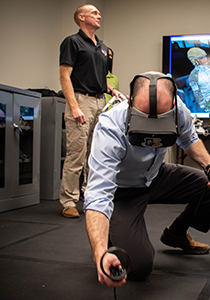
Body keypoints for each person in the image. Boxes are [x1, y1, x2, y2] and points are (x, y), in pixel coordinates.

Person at [84, 71, 210, 286]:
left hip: (157, 176)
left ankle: (176, 233)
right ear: (131, 102)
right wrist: (100, 253)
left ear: (173, 103)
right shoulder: (110, 126)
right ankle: (108, 235)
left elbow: (189, 139)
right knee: (138, 267)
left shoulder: (178, 109)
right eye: (144, 116)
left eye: (161, 117)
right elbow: (98, 194)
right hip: (122, 191)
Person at [59, 4, 123, 218]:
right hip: (80, 100)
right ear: (81, 17)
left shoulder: (103, 48)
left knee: (94, 155)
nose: (99, 15)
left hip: (99, 102)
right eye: (94, 13)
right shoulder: (72, 42)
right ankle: (68, 201)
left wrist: (113, 91)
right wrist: (74, 106)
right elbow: (65, 76)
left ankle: (90, 196)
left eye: (99, 12)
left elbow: (100, 79)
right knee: (76, 153)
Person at [187, 47, 210, 112]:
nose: (205, 59)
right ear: (194, 60)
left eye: (205, 56)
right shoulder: (193, 76)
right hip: (208, 100)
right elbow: (196, 92)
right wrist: (203, 104)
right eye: (201, 58)